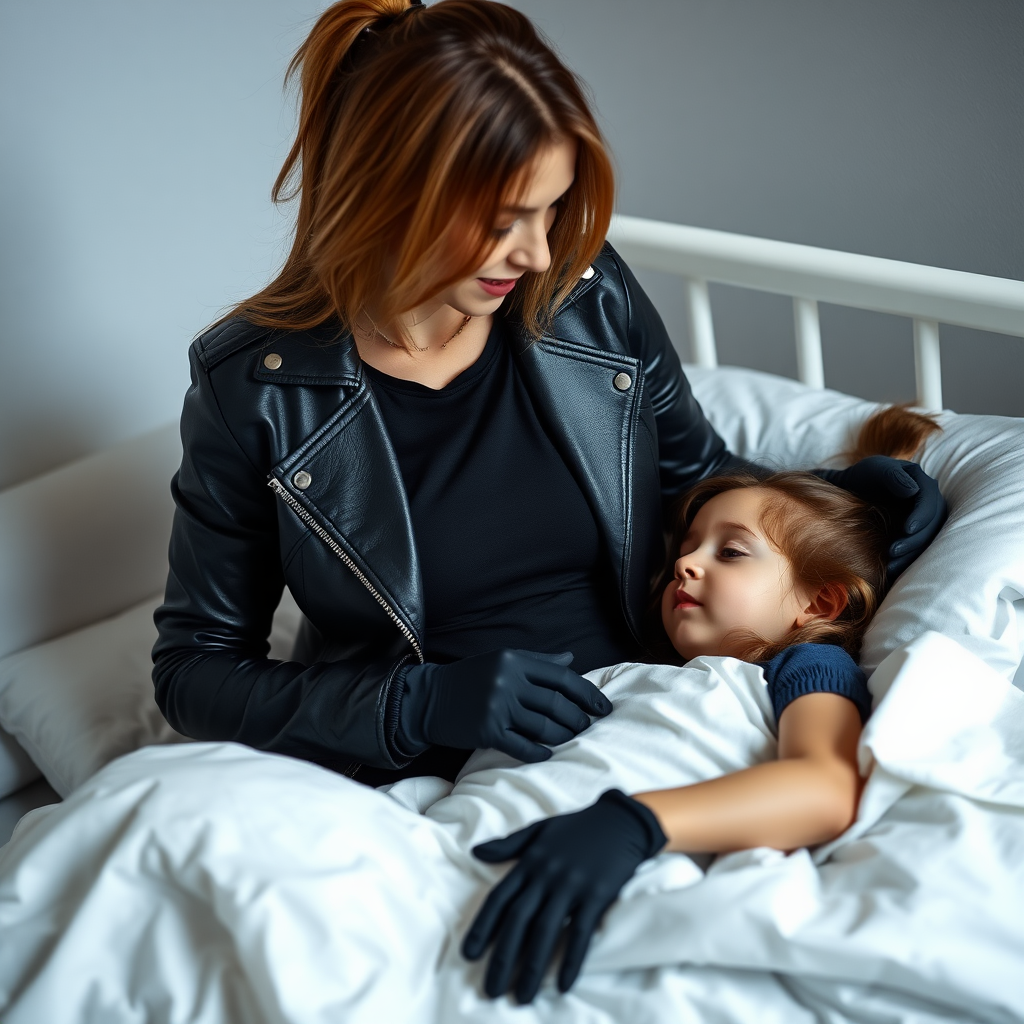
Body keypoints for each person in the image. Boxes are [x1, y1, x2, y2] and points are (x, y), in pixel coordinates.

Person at [153, 0, 945, 790]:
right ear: (390, 193)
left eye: (552, 208)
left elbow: (692, 481)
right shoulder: (256, 390)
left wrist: (847, 505)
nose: (537, 253)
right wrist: (415, 704)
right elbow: (195, 672)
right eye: (505, 222)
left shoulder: (588, 298)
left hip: (655, 718)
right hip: (435, 777)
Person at [462, 406, 942, 1004]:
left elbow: (825, 787)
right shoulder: (636, 669)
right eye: (687, 547)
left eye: (731, 552)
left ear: (819, 605)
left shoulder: (803, 667)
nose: (685, 563)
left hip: (620, 858)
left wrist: (636, 823)